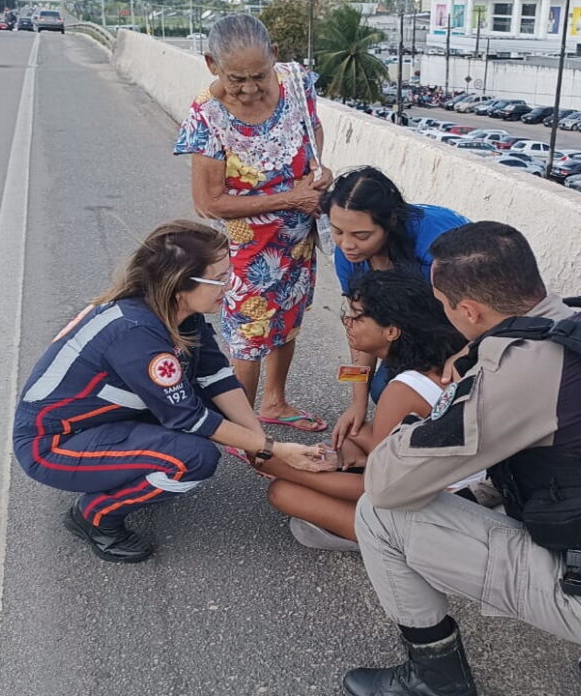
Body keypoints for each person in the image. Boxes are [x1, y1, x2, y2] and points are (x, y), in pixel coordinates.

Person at [343, 222, 581, 696]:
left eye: (444, 305)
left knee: (379, 516)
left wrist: (454, 395)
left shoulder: (523, 371)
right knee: (510, 481)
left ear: (470, 310)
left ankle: (434, 680)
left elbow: (387, 482)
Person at [12, 221, 329, 564]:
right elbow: (189, 417)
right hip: (52, 444)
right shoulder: (136, 334)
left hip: (96, 422)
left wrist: (260, 446)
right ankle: (94, 516)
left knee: (212, 410)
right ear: (181, 284)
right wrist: (275, 448)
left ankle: (132, 466)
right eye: (220, 278)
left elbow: (217, 377)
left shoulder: (178, 312)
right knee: (195, 457)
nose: (232, 284)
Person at [174, 13, 331, 437]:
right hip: (250, 247)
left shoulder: (296, 83)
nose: (248, 88)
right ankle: (243, 427)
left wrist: (317, 172)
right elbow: (208, 203)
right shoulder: (207, 115)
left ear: (274, 58)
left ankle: (274, 403)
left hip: (299, 237)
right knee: (250, 332)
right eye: (235, 78)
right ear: (212, 64)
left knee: (288, 319)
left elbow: (313, 133)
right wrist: (289, 197)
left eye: (258, 76)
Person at [259, 270, 475, 551]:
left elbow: (382, 489)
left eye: (357, 316)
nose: (347, 322)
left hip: (449, 510)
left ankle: (388, 547)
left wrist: (286, 468)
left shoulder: (402, 392)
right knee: (352, 433)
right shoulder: (439, 359)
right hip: (459, 477)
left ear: (392, 331)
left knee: (282, 492)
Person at [321, 166, 469, 450]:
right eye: (337, 231)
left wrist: (465, 355)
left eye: (362, 235)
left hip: (467, 328)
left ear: (391, 221)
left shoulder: (438, 243)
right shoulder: (347, 254)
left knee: (438, 388)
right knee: (382, 389)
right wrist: (357, 402)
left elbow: (489, 313)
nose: (347, 245)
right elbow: (359, 326)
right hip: (421, 332)